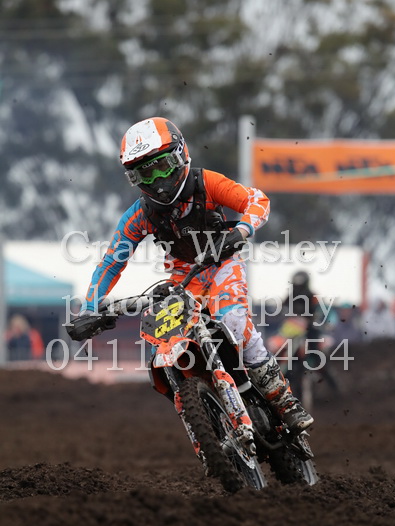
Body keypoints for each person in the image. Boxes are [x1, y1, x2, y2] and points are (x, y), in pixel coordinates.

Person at [74, 117, 313, 433]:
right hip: (183, 280)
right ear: (134, 178)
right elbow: (111, 263)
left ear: (180, 155)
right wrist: (90, 308)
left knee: (233, 321)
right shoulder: (139, 215)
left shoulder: (206, 183)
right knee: (161, 345)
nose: (158, 179)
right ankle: (204, 413)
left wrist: (241, 230)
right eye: (146, 173)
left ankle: (283, 400)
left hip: (222, 263)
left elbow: (257, 200)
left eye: (162, 166)